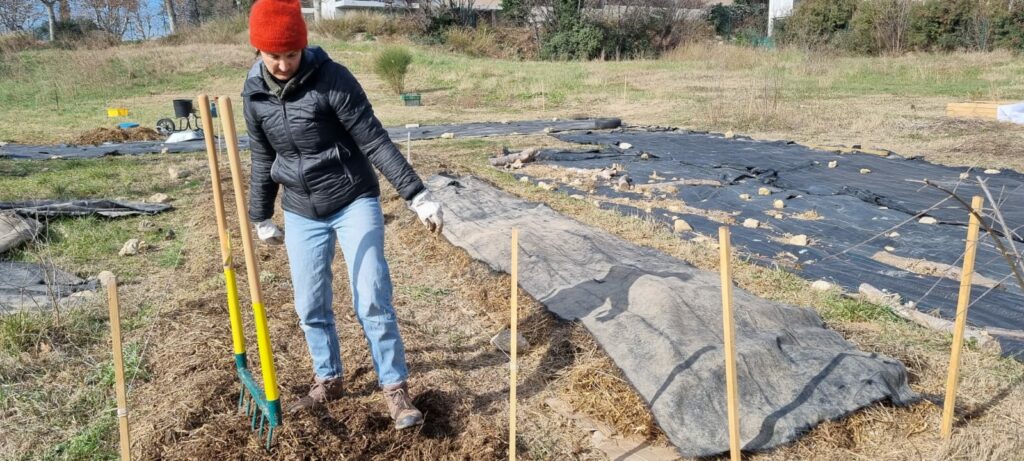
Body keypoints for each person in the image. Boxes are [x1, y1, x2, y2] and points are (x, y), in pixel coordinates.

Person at [242, 0, 443, 430]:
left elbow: (374, 141)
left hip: (353, 198)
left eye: (291, 54)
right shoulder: (254, 94)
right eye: (273, 55)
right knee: (309, 303)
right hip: (300, 208)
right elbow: (262, 157)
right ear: (257, 50)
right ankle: (328, 377)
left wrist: (417, 194)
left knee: (371, 295)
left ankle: (394, 388)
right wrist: (261, 215)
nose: (282, 64)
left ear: (303, 45)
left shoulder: (333, 79)